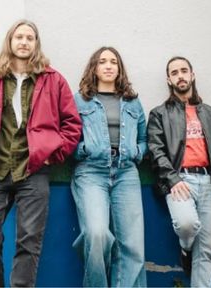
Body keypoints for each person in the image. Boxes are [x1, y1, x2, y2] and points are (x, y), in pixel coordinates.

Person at [0, 19, 82, 287]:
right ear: (10, 41)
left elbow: (72, 125)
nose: (24, 42)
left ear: (36, 44)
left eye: (29, 38)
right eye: (19, 37)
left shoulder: (54, 80)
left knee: (29, 239)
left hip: (34, 170)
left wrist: (53, 154)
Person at [147, 56, 211, 287]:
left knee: (206, 251)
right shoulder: (159, 114)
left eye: (184, 71)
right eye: (174, 73)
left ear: (192, 75)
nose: (180, 76)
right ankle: (185, 249)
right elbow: (155, 150)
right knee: (187, 224)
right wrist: (173, 179)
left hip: (209, 183)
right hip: (179, 181)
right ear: (169, 80)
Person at [71, 46, 147, 287]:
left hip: (126, 173)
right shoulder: (79, 100)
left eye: (113, 61)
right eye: (102, 61)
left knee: (132, 245)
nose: (108, 66)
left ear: (119, 68)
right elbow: (68, 138)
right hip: (91, 172)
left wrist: (137, 152)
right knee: (96, 234)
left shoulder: (133, 102)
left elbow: (144, 138)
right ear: (94, 68)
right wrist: (85, 149)